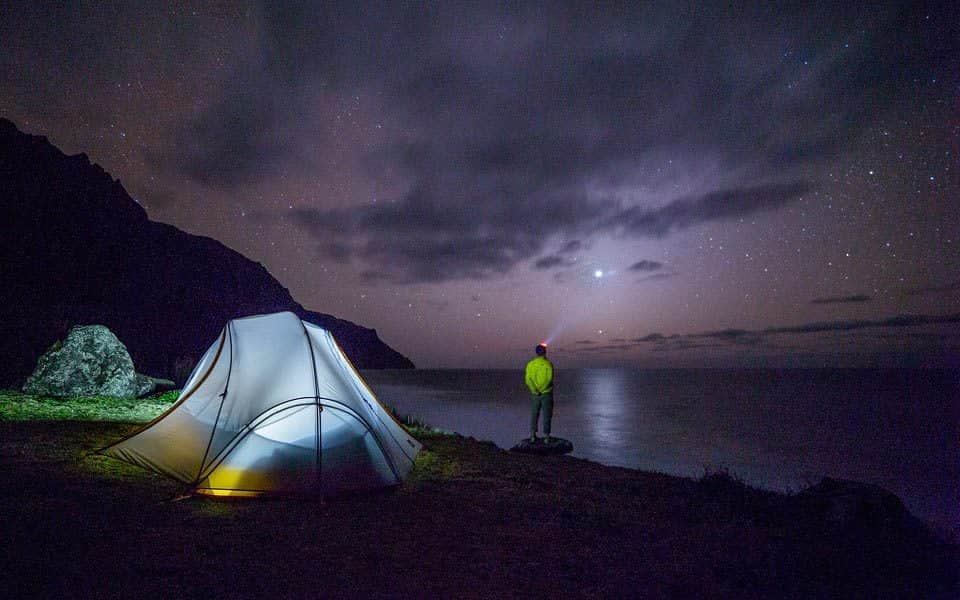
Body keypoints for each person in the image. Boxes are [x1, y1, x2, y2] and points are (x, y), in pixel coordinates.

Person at [525, 343, 554, 443]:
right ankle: (546, 437)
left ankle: (532, 435)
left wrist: (535, 390)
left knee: (534, 413)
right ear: (544, 352)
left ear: (536, 352)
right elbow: (549, 379)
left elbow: (528, 379)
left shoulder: (530, 364)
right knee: (547, 414)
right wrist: (542, 389)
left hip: (535, 394)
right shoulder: (548, 364)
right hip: (546, 393)